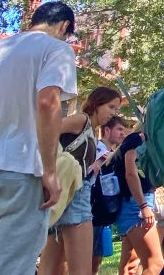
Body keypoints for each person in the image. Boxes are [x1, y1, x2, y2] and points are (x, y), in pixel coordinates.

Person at [0, 1, 79, 275]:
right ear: (64, 26)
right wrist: (50, 170)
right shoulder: (57, 49)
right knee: (9, 267)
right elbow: (47, 102)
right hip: (23, 170)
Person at [39, 87, 122, 275]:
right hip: (74, 193)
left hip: (63, 194)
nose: (113, 113)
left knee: (52, 269)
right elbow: (48, 129)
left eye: (116, 109)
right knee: (81, 269)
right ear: (97, 103)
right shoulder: (82, 120)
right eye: (111, 107)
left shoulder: (92, 130)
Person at [114, 121, 163, 275]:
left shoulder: (138, 140)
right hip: (136, 205)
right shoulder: (136, 139)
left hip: (133, 204)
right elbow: (131, 172)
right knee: (155, 263)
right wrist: (143, 206)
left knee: (130, 265)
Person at [92, 116, 127, 275]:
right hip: (92, 212)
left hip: (104, 214)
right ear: (106, 130)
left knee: (96, 257)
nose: (123, 133)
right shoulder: (97, 151)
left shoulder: (112, 153)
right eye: (119, 129)